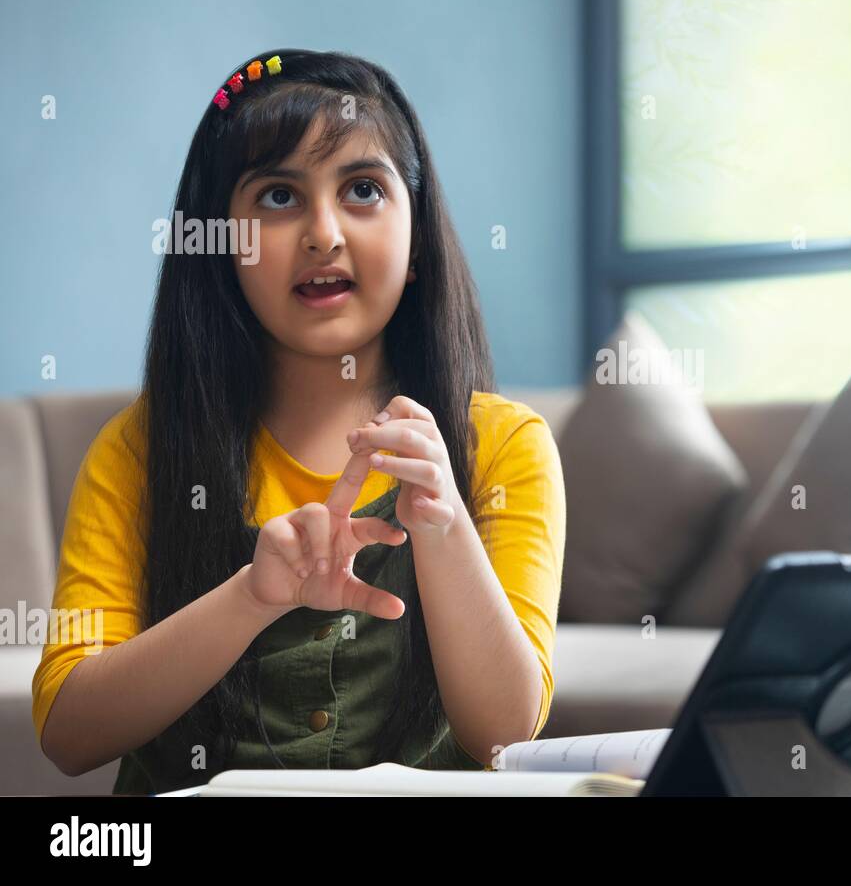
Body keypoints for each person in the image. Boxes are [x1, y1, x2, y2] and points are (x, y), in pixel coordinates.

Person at [31, 49, 565, 795]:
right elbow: (69, 729)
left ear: (417, 244)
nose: (323, 232)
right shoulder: (137, 451)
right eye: (279, 196)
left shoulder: (505, 445)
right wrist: (250, 596)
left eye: (363, 190)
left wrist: (444, 528)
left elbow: (504, 730)